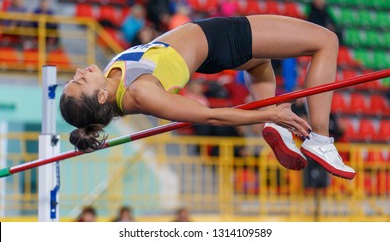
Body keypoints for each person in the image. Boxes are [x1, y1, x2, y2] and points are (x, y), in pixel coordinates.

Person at [60, 14, 356, 180]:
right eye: (79, 81)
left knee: (258, 61)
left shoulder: (113, 77)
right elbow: (209, 114)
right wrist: (268, 114)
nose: (78, 72)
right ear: (100, 97)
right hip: (219, 39)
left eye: (74, 78)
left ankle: (277, 130)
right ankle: (320, 139)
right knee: (326, 41)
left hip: (210, 48)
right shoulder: (140, 93)